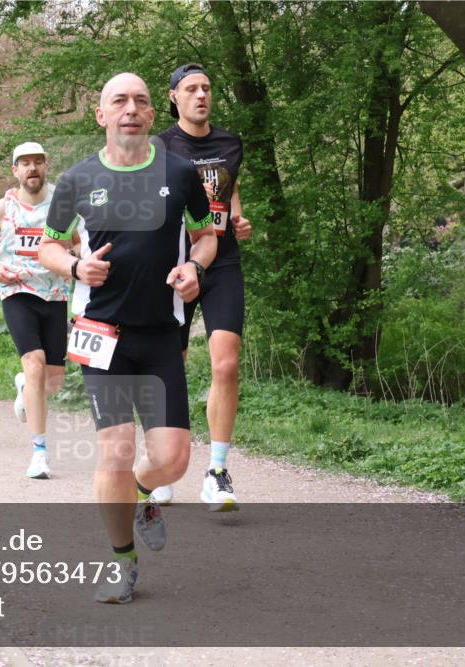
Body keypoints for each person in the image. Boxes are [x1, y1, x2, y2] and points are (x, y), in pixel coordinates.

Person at [39, 73, 216, 604]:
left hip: (163, 331)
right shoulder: (75, 179)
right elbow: (47, 247)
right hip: (102, 334)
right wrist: (74, 266)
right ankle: (121, 562)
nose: (131, 109)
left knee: (174, 459)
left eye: (140, 100)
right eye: (119, 100)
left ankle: (143, 494)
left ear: (150, 111)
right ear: (102, 115)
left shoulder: (180, 174)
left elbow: (206, 235)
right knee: (114, 452)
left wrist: (196, 269)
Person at [151, 63, 253, 511]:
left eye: (207, 88)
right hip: (176, 266)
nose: (201, 95)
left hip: (222, 261)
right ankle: (162, 461)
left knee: (226, 365)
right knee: (169, 363)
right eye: (191, 89)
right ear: (173, 96)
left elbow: (227, 192)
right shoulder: (160, 147)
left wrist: (238, 217)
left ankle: (216, 471)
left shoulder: (230, 142)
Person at [0, 142, 73, 479]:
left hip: (56, 292)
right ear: (15, 170)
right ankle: (39, 452)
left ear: (46, 166)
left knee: (54, 381)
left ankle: (24, 388)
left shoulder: (62, 203)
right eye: (25, 163)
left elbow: (77, 240)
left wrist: (77, 258)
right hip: (17, 290)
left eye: (38, 162)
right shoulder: (1, 208)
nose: (32, 168)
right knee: (34, 365)